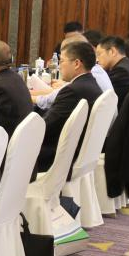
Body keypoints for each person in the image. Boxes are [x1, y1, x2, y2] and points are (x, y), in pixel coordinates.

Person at [36, 40, 102, 174]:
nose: (59, 67)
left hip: (58, 156)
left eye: (61, 61)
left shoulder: (73, 90)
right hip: (78, 152)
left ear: (76, 63)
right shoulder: (91, 83)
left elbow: (47, 126)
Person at [96, 35, 129, 104]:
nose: (97, 60)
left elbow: (105, 97)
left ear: (112, 51)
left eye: (99, 54)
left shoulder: (121, 71)